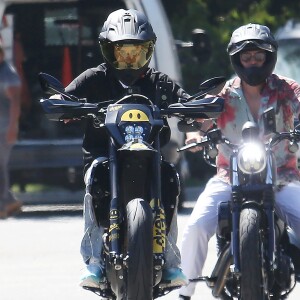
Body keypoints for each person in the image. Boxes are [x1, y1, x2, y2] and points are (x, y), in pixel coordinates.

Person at [54, 9, 188, 290]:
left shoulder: (158, 82)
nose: (129, 59)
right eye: (122, 52)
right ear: (108, 51)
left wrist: (198, 107)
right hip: (104, 156)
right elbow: (66, 95)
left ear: (148, 50)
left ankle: (171, 260)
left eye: (136, 52)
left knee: (171, 177)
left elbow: (184, 99)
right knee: (95, 179)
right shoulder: (93, 78)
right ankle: (93, 261)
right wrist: (61, 102)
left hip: (149, 158)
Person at [178, 23, 300, 300]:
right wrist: (196, 133)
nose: (253, 62)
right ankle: (184, 293)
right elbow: (202, 120)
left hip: (282, 178)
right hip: (229, 177)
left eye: (258, 56)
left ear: (269, 57)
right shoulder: (222, 95)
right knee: (196, 225)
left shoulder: (289, 90)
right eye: (247, 57)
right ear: (237, 60)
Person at [0, 42, 22, 219]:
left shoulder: (7, 73)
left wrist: (12, 127)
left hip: (4, 127)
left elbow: (15, 101)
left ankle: (4, 203)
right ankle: (8, 200)